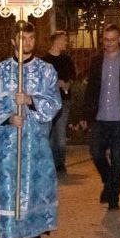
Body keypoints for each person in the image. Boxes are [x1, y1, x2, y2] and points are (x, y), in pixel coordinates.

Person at [0, 21, 61, 238]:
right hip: (9, 143)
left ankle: (33, 228)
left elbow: (54, 101)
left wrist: (30, 100)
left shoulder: (46, 70)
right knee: (9, 187)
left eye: (31, 38)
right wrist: (6, 117)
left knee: (36, 186)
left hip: (35, 140)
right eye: (22, 38)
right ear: (13, 41)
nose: (27, 43)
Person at [75, 23, 120, 210]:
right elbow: (91, 90)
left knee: (118, 158)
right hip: (100, 117)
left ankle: (113, 198)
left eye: (113, 39)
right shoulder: (97, 61)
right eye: (106, 39)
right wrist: (85, 114)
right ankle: (108, 180)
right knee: (96, 153)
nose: (109, 43)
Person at [41, 30, 75, 176]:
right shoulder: (44, 60)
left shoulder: (67, 60)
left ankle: (60, 164)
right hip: (48, 102)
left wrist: (67, 84)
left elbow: (72, 76)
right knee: (48, 134)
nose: (65, 43)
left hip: (63, 100)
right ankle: (48, 164)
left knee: (60, 135)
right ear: (55, 41)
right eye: (63, 40)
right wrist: (55, 83)